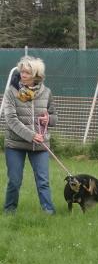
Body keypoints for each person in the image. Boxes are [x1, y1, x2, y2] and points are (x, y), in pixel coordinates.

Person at [4, 56, 57, 215]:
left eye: (27, 72)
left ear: (36, 75)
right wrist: (31, 135)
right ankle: (9, 212)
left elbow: (54, 117)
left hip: (40, 145)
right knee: (14, 181)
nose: (23, 75)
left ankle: (49, 212)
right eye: (22, 71)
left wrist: (49, 119)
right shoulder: (11, 92)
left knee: (43, 182)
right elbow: (11, 120)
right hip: (15, 145)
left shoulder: (46, 92)